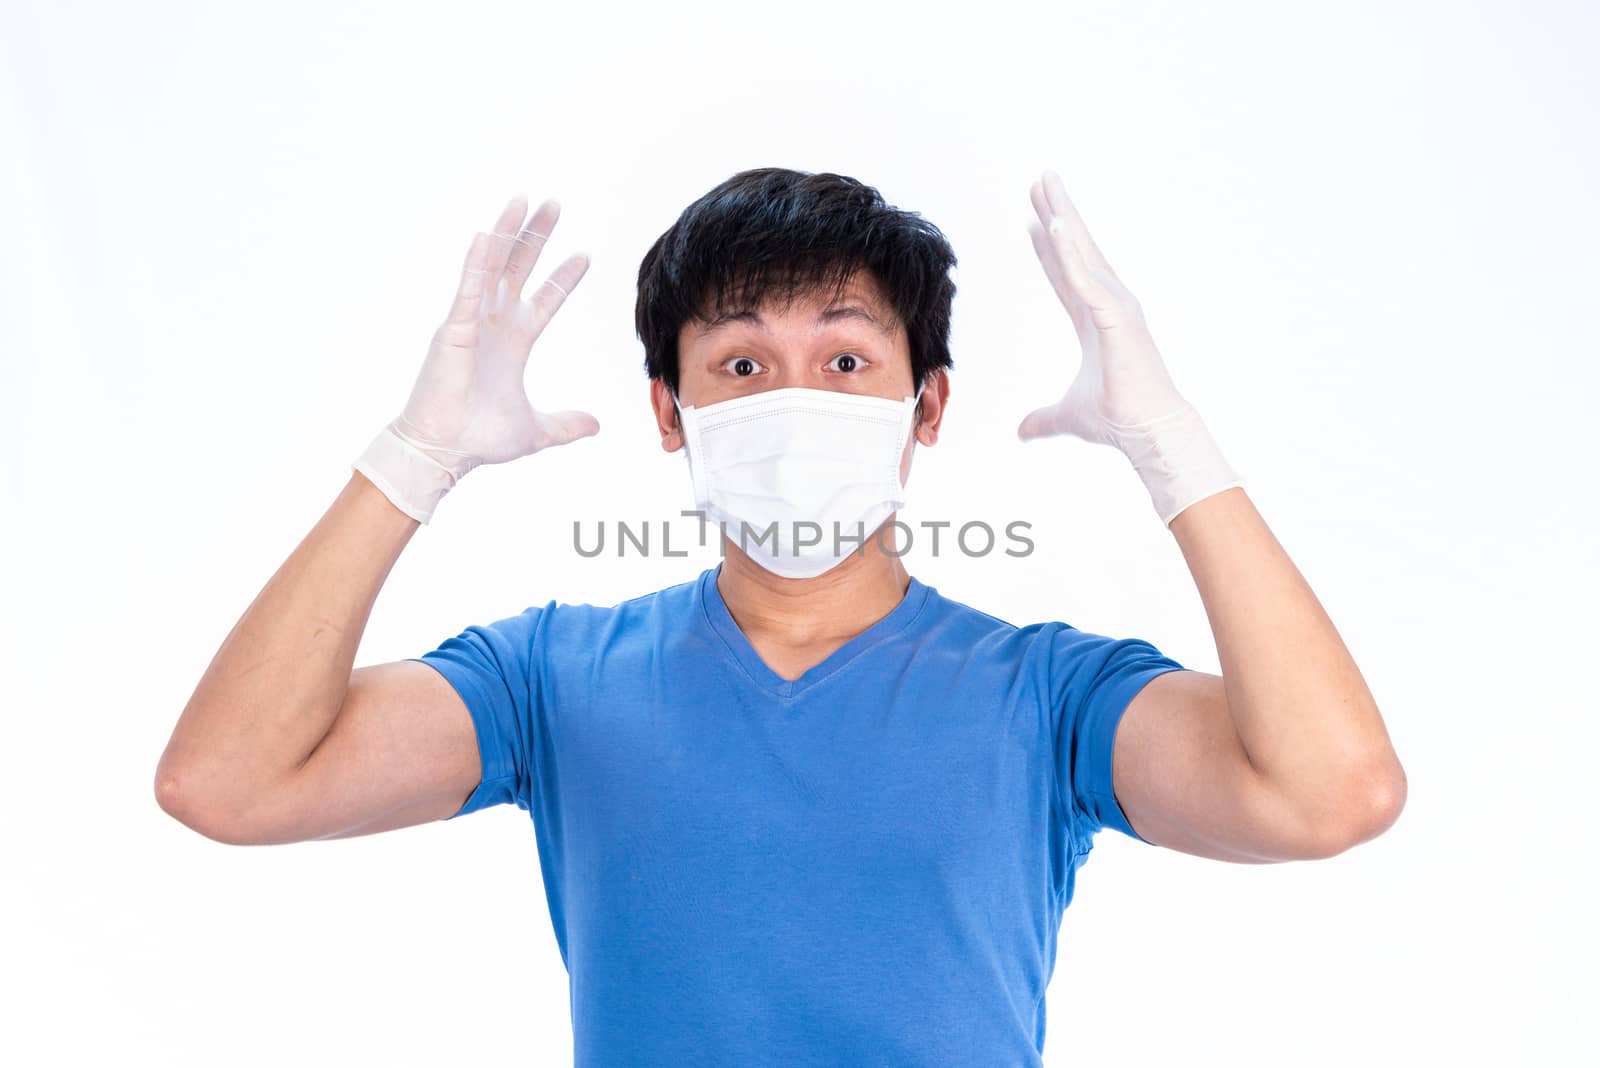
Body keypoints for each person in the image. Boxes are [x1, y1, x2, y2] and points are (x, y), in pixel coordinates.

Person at [155, 167, 1407, 1066]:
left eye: (847, 359)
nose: (792, 395)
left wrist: (1169, 446)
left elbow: (1331, 794)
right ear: (670, 412)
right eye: (741, 365)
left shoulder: (1046, 696)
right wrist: (414, 456)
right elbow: (227, 783)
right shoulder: (553, 678)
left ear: (927, 408)